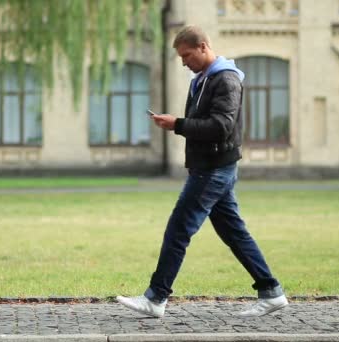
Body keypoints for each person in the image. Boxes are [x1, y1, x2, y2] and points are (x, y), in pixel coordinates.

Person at [116, 26, 288, 318]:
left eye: (187, 55)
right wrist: (177, 124)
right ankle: (271, 292)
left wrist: (178, 124)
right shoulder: (204, 79)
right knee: (234, 233)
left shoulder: (226, 79)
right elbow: (207, 123)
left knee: (178, 230)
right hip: (211, 167)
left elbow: (221, 126)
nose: (184, 62)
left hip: (213, 170)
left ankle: (156, 298)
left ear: (204, 47)